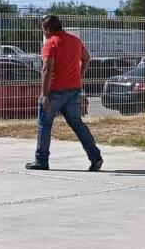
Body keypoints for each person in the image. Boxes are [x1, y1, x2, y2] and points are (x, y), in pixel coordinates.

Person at [25, 15, 103, 171]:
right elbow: (87, 58)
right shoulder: (74, 40)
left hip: (54, 91)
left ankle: (41, 160)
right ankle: (95, 157)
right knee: (77, 123)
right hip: (74, 90)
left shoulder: (50, 43)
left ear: (47, 29)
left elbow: (47, 69)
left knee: (44, 125)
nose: (44, 32)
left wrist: (44, 94)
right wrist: (79, 75)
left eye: (43, 29)